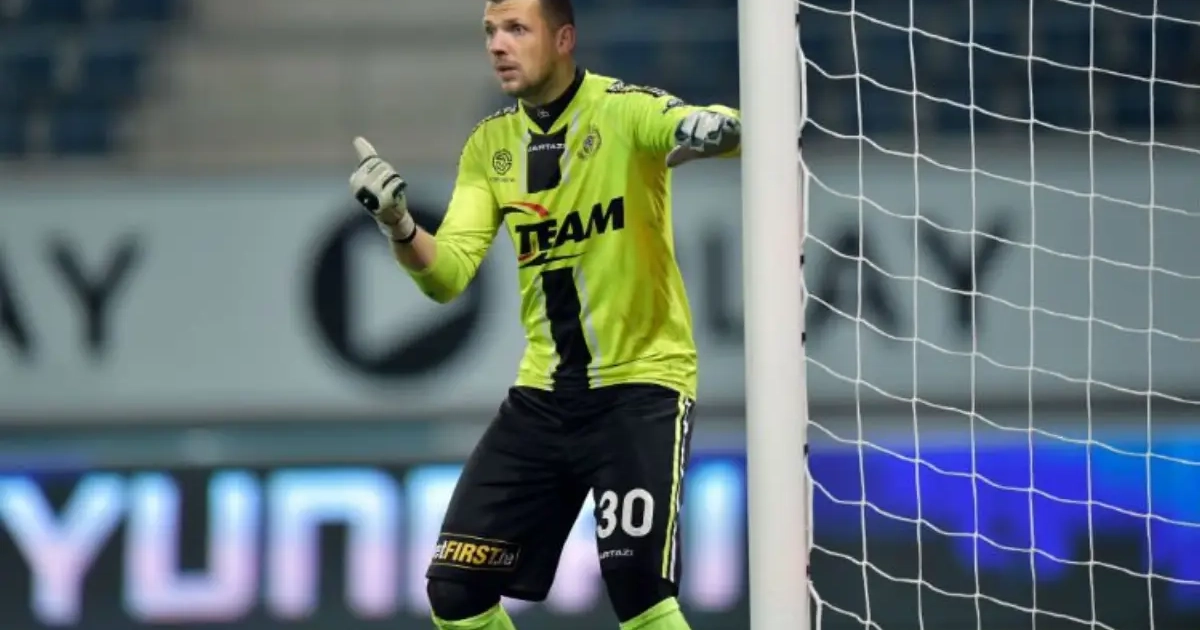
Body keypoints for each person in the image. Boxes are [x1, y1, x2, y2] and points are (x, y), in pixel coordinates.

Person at [348, 0, 740, 628]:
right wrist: (397, 224)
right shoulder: (490, 146)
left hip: (639, 387)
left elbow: (711, 126)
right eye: (490, 32)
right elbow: (446, 278)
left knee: (639, 590)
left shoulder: (622, 110)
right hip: (545, 397)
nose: (497, 45)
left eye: (516, 29)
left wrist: (710, 124)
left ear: (563, 39)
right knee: (455, 591)